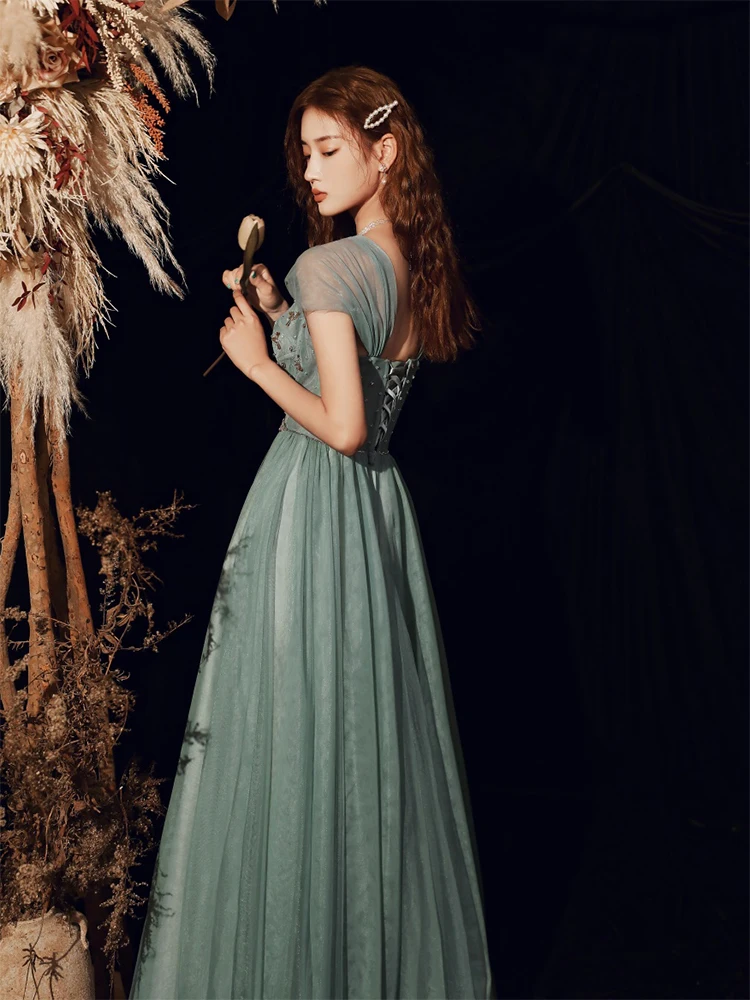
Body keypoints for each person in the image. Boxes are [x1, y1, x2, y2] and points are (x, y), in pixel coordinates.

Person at [129, 65, 495, 1000]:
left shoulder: (331, 265)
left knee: (289, 735)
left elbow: (344, 424)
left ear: (387, 150)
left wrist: (256, 362)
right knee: (358, 743)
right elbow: (357, 386)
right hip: (375, 520)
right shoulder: (406, 263)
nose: (312, 171)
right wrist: (283, 316)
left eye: (331, 150)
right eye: (305, 154)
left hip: (312, 513)